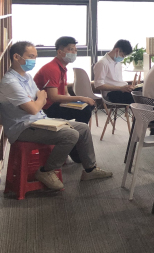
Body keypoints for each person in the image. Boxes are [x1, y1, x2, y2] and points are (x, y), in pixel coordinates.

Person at [0, 41, 112, 191]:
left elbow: (40, 97)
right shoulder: (10, 82)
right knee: (70, 134)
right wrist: (38, 100)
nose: (34, 60)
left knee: (83, 128)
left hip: (39, 120)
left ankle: (90, 170)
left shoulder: (26, 77)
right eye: (31, 56)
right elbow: (35, 106)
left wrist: (38, 100)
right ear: (16, 57)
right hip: (23, 127)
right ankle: (46, 171)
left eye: (35, 57)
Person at [34, 36, 95, 124]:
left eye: (75, 50)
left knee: (88, 105)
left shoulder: (62, 68)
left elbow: (65, 92)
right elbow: (53, 97)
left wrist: (76, 102)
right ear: (60, 52)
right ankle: (78, 130)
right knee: (85, 110)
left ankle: (77, 129)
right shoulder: (52, 68)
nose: (74, 52)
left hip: (57, 103)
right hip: (46, 106)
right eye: (70, 49)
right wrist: (81, 98)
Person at [93, 39, 135, 104]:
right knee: (137, 98)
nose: (122, 58)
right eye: (122, 55)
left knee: (141, 92)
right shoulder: (102, 63)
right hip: (111, 93)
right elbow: (98, 85)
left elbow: (118, 81)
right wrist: (120, 88)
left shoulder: (118, 63)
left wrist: (126, 87)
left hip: (121, 90)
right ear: (117, 50)